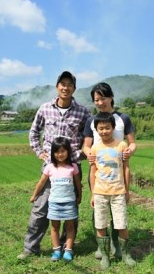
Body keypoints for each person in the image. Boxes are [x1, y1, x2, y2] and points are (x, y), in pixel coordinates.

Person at [17, 71, 91, 260]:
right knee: (41, 209)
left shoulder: (83, 111)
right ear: (57, 86)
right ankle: (30, 248)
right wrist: (39, 151)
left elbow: (89, 137)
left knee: (71, 208)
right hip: (50, 168)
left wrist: (80, 154)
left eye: (69, 84)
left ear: (74, 88)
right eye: (62, 84)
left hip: (72, 168)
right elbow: (34, 132)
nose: (65, 87)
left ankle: (67, 248)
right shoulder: (44, 108)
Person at [82, 82, 136, 260]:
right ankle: (102, 248)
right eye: (96, 99)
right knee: (98, 206)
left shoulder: (123, 118)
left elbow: (132, 142)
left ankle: (116, 245)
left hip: (117, 169)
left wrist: (130, 150)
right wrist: (89, 154)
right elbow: (86, 145)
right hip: (99, 170)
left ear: (111, 97)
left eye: (102, 98)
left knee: (117, 209)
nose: (99, 102)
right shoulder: (92, 120)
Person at [89, 112, 136, 270]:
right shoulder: (95, 148)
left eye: (107, 128)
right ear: (96, 130)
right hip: (100, 193)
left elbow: (126, 169)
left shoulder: (121, 145)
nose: (104, 131)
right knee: (100, 225)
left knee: (121, 224)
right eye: (100, 128)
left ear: (113, 128)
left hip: (118, 192)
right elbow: (92, 172)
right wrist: (93, 194)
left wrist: (127, 191)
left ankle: (126, 254)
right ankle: (105, 256)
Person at [30, 137, 82, 262]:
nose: (60, 154)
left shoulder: (73, 167)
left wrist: (80, 196)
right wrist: (34, 195)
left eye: (63, 151)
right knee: (54, 227)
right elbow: (41, 183)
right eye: (57, 152)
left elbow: (78, 184)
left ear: (68, 152)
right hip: (54, 203)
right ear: (53, 153)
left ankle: (68, 250)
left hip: (69, 202)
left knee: (70, 227)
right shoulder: (49, 167)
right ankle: (57, 250)